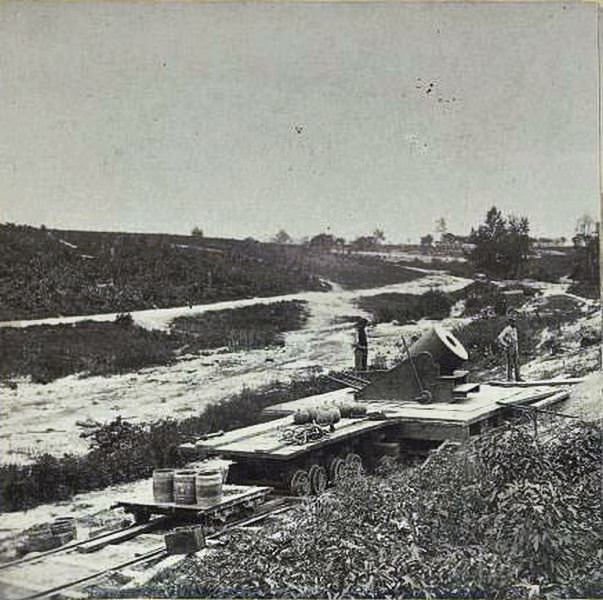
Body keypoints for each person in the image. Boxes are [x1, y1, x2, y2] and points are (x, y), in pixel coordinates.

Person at [497, 316, 523, 382]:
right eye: (512, 321)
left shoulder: (515, 329)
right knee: (510, 363)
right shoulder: (507, 329)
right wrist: (505, 344)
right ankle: (509, 378)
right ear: (510, 322)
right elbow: (500, 337)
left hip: (515, 346)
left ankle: (518, 377)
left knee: (517, 363)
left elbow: (515, 338)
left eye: (514, 321)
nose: (514, 322)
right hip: (510, 347)